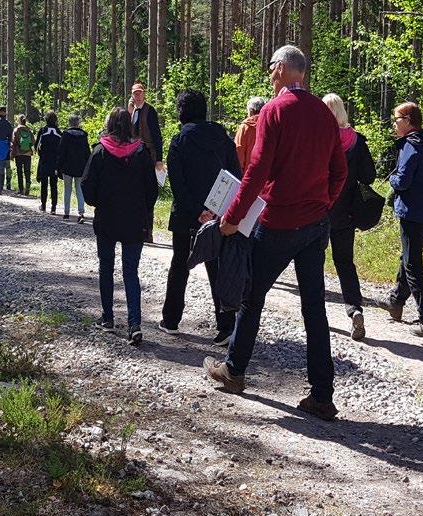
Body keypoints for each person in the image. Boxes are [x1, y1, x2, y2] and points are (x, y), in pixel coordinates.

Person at [203, 45, 347, 422]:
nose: (269, 74)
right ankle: (322, 395)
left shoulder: (274, 110)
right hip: (316, 225)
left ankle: (234, 371)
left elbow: (257, 171)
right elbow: (340, 171)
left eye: (271, 68)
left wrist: (231, 217)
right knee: (314, 308)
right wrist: (324, 204)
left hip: (279, 221)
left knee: (252, 298)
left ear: (283, 69)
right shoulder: (324, 113)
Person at [159, 90, 242, 345]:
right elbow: (235, 177)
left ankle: (171, 320)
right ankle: (226, 325)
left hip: (186, 215)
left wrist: (197, 212)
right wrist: (215, 211)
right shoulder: (224, 139)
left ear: (182, 111)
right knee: (217, 267)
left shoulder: (178, 141)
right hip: (218, 215)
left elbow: (178, 182)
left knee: (180, 265)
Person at [82, 107, 159, 345]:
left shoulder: (99, 151)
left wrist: (98, 202)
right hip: (134, 221)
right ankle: (134, 323)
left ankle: (108, 318)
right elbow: (152, 190)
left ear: (109, 124)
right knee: (130, 272)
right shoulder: (141, 153)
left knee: (106, 267)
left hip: (107, 219)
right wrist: (145, 210)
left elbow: (87, 187)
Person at [383, 102, 423, 340]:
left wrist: (393, 181)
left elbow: (403, 181)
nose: (394, 123)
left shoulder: (410, 146)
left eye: (397, 119)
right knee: (410, 256)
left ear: (408, 121)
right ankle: (395, 302)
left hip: (411, 212)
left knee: (412, 265)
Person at [322, 93, 377, 342]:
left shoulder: (319, 140)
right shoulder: (357, 141)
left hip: (319, 210)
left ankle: (315, 314)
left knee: (313, 261)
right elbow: (370, 176)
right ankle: (354, 308)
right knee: (345, 263)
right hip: (346, 213)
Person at [130, 82, 163, 241]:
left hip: (148, 155)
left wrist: (159, 160)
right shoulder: (132, 111)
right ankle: (136, 229)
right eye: (135, 93)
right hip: (134, 155)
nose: (137, 95)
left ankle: (148, 232)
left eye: (139, 93)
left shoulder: (150, 111)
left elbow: (157, 136)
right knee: (134, 192)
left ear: (144, 94)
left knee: (149, 193)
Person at [56, 114, 91, 223]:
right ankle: (81, 213)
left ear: (69, 123)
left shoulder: (65, 135)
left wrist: (58, 166)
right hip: (80, 168)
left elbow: (61, 152)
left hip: (67, 167)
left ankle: (66, 213)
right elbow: (87, 153)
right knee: (79, 190)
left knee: (67, 190)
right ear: (78, 123)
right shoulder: (83, 135)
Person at [35, 111, 62, 213]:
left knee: (44, 184)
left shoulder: (42, 130)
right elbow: (61, 149)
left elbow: (36, 146)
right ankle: (53, 208)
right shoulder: (59, 132)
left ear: (46, 119)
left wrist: (41, 155)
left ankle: (43, 205)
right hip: (55, 163)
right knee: (54, 185)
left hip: (44, 161)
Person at [234, 96, 267, 175]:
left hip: (249, 176)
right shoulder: (271, 124)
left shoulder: (245, 127)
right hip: (268, 177)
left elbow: (238, 153)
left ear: (251, 111)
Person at [11, 114, 35, 195]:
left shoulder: (16, 130)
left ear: (19, 121)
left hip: (18, 153)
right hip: (28, 154)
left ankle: (21, 189)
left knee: (19, 171)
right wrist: (27, 146)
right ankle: (27, 187)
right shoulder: (29, 130)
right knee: (27, 171)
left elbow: (13, 142)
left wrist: (12, 153)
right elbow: (33, 142)